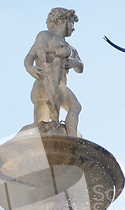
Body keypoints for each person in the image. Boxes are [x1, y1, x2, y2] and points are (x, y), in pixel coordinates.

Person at [24, 8, 83, 137]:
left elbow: (81, 68)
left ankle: (72, 139)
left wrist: (74, 63)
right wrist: (30, 68)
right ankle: (21, 142)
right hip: (43, 84)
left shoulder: (71, 48)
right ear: (63, 21)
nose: (73, 28)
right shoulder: (44, 36)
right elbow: (30, 56)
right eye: (72, 23)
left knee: (75, 107)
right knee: (40, 123)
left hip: (60, 87)